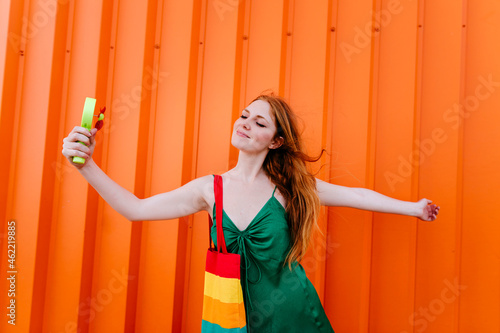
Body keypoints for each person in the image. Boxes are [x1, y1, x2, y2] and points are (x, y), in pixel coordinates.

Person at [62, 93, 440, 332]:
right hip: (231, 317)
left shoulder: (290, 190)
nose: (245, 124)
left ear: (275, 141)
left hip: (291, 316)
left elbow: (357, 195)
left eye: (259, 123)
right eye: (244, 116)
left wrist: (413, 208)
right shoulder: (209, 189)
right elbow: (135, 209)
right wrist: (86, 166)